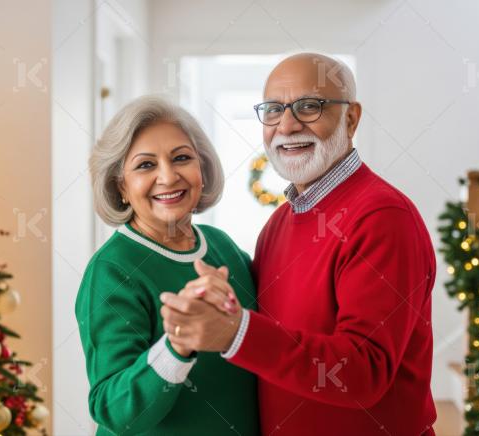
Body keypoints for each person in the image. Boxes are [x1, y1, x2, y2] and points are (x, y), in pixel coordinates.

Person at [160, 53, 438, 435]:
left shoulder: (383, 217)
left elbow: (361, 373)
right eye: (273, 110)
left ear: (351, 119)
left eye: (309, 106)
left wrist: (236, 331)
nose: (287, 126)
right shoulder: (276, 226)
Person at [75, 95, 259, 435]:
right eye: (146, 165)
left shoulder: (222, 246)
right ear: (121, 187)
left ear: (202, 169)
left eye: (182, 158)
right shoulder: (112, 270)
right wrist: (178, 341)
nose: (168, 176)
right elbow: (112, 410)